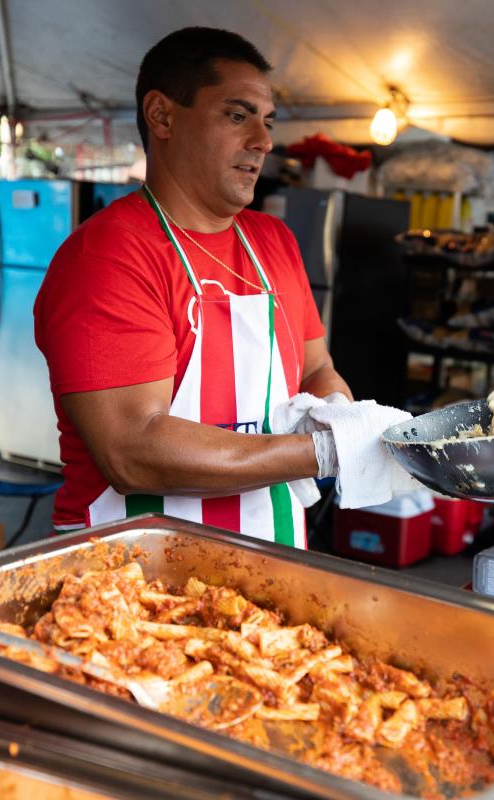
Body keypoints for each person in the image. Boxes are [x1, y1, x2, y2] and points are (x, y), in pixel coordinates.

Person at [34, 28, 360, 545]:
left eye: (267, 121)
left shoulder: (273, 241)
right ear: (162, 116)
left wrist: (338, 413)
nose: (263, 141)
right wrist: (320, 452)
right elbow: (132, 452)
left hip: (270, 545)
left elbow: (316, 368)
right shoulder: (108, 256)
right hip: (130, 564)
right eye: (237, 116)